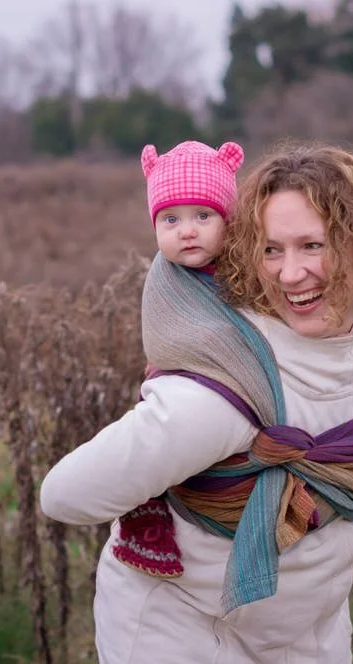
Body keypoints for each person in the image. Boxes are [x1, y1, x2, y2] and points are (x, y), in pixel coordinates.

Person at [40, 142, 353, 664]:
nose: (290, 274)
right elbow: (64, 495)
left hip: (310, 629)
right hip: (179, 631)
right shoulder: (219, 394)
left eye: (314, 245)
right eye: (270, 249)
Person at [111, 139, 246, 579]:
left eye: (203, 217)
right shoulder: (166, 280)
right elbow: (165, 337)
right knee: (156, 424)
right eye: (171, 220)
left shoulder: (247, 270)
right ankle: (150, 516)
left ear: (229, 218)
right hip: (175, 375)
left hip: (238, 386)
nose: (186, 231)